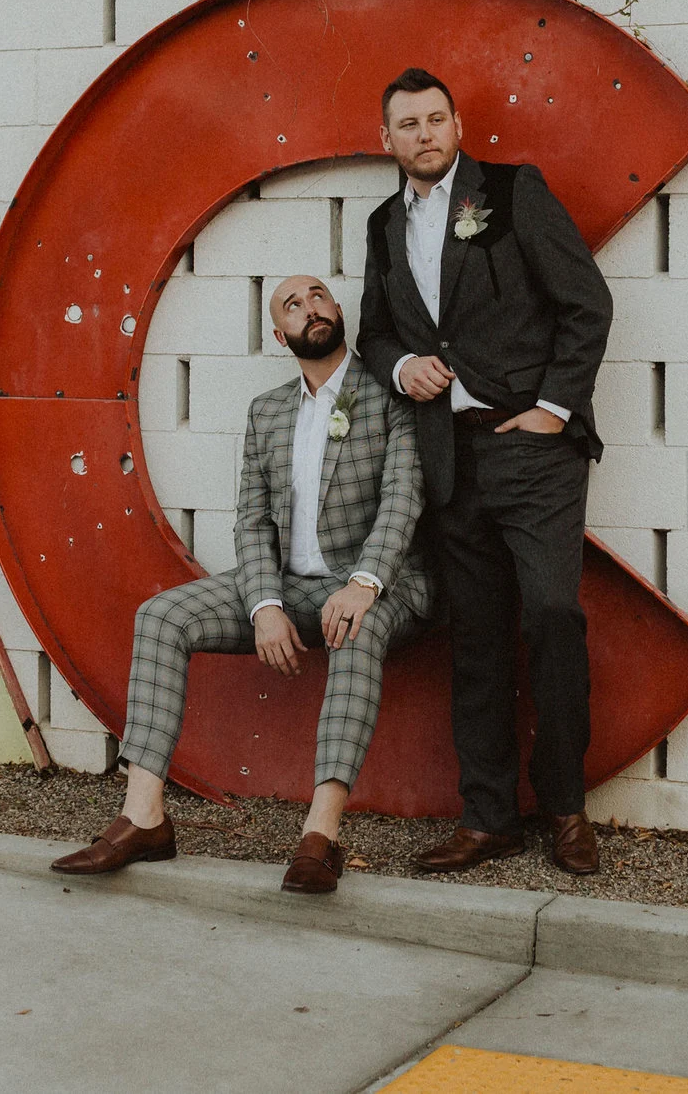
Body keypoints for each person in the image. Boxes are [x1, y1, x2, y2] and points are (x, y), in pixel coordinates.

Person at [51, 276, 431, 894]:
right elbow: (251, 521)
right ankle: (143, 816)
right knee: (161, 617)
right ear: (279, 335)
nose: (309, 308)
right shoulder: (267, 412)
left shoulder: (388, 398)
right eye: (292, 305)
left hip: (378, 587)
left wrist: (363, 583)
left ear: (338, 312)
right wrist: (263, 604)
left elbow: (401, 503)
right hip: (287, 586)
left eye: (318, 297)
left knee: (355, 630)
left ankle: (321, 834)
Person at [357, 68, 615, 876]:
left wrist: (553, 408)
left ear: (458, 125)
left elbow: (587, 302)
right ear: (387, 138)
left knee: (550, 615)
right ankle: (489, 815)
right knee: (474, 639)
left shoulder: (512, 192)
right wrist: (404, 370)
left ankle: (567, 808)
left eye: (437, 118)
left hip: (531, 449)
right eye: (409, 123)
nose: (425, 133)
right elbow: (373, 334)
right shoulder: (379, 225)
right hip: (448, 455)